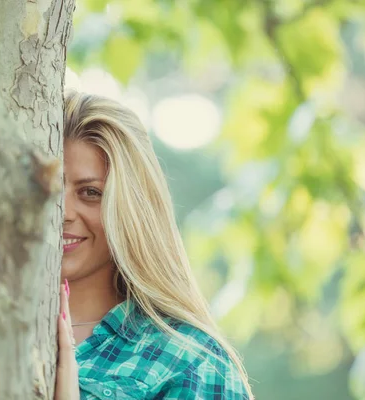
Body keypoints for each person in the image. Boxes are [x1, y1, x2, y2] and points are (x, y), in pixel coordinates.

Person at [55, 91, 254, 400]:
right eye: (50, 187)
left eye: (91, 192)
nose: (62, 212)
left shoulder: (191, 365)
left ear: (130, 208)